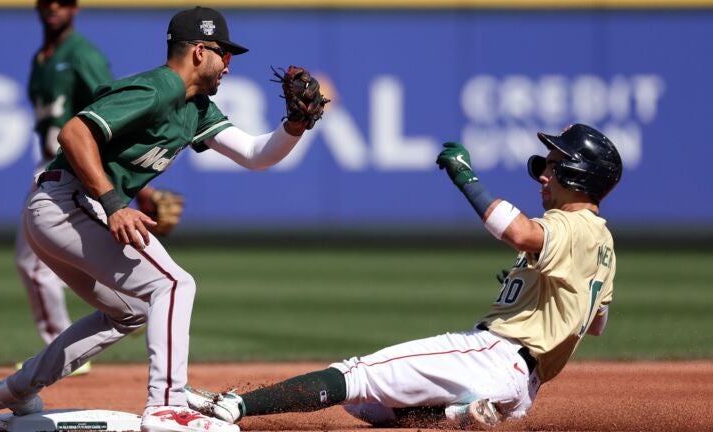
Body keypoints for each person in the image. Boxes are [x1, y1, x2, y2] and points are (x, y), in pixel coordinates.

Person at [0, 6, 326, 432]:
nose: (229, 64)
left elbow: (257, 156)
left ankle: (16, 389)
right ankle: (165, 406)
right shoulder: (158, 86)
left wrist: (293, 126)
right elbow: (72, 133)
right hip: (66, 202)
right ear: (199, 51)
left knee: (127, 313)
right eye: (224, 53)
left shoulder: (196, 108)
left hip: (62, 208)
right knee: (174, 283)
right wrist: (114, 204)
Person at [184, 123, 623, 429]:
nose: (543, 175)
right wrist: (534, 292)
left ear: (577, 173)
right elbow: (596, 323)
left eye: (552, 165)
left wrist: (464, 175)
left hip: (494, 355)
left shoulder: (571, 226)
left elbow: (518, 232)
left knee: (355, 377)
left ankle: (233, 406)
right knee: (365, 407)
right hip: (522, 392)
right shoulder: (604, 246)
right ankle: (461, 415)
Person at [17, 0, 162, 375]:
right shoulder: (41, 58)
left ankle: (61, 347)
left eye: (62, 1)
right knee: (42, 262)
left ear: (75, 8)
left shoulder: (83, 54)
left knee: (35, 266)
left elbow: (113, 112)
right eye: (46, 1)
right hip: (53, 167)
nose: (52, 7)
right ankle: (125, 306)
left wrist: (137, 186)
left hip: (75, 169)